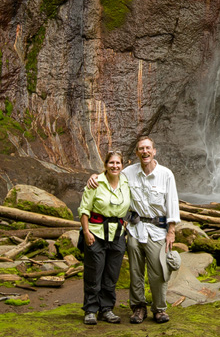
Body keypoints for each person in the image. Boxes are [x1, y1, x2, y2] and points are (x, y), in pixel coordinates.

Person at [87, 135, 180, 325]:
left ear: (154, 151)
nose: (144, 152)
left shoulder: (166, 174)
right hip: (136, 229)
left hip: (157, 230)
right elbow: (110, 172)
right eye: (141, 149)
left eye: (148, 148)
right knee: (136, 272)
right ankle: (138, 307)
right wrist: (95, 176)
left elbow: (172, 202)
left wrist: (172, 231)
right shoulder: (129, 172)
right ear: (137, 152)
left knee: (159, 272)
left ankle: (159, 308)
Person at [79, 150, 131, 326]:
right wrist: (86, 232)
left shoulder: (127, 182)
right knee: (94, 272)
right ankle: (91, 310)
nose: (115, 166)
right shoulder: (96, 183)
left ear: (122, 166)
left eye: (118, 163)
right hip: (96, 233)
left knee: (112, 274)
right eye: (111, 163)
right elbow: (84, 209)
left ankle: (107, 309)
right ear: (105, 165)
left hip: (117, 234)